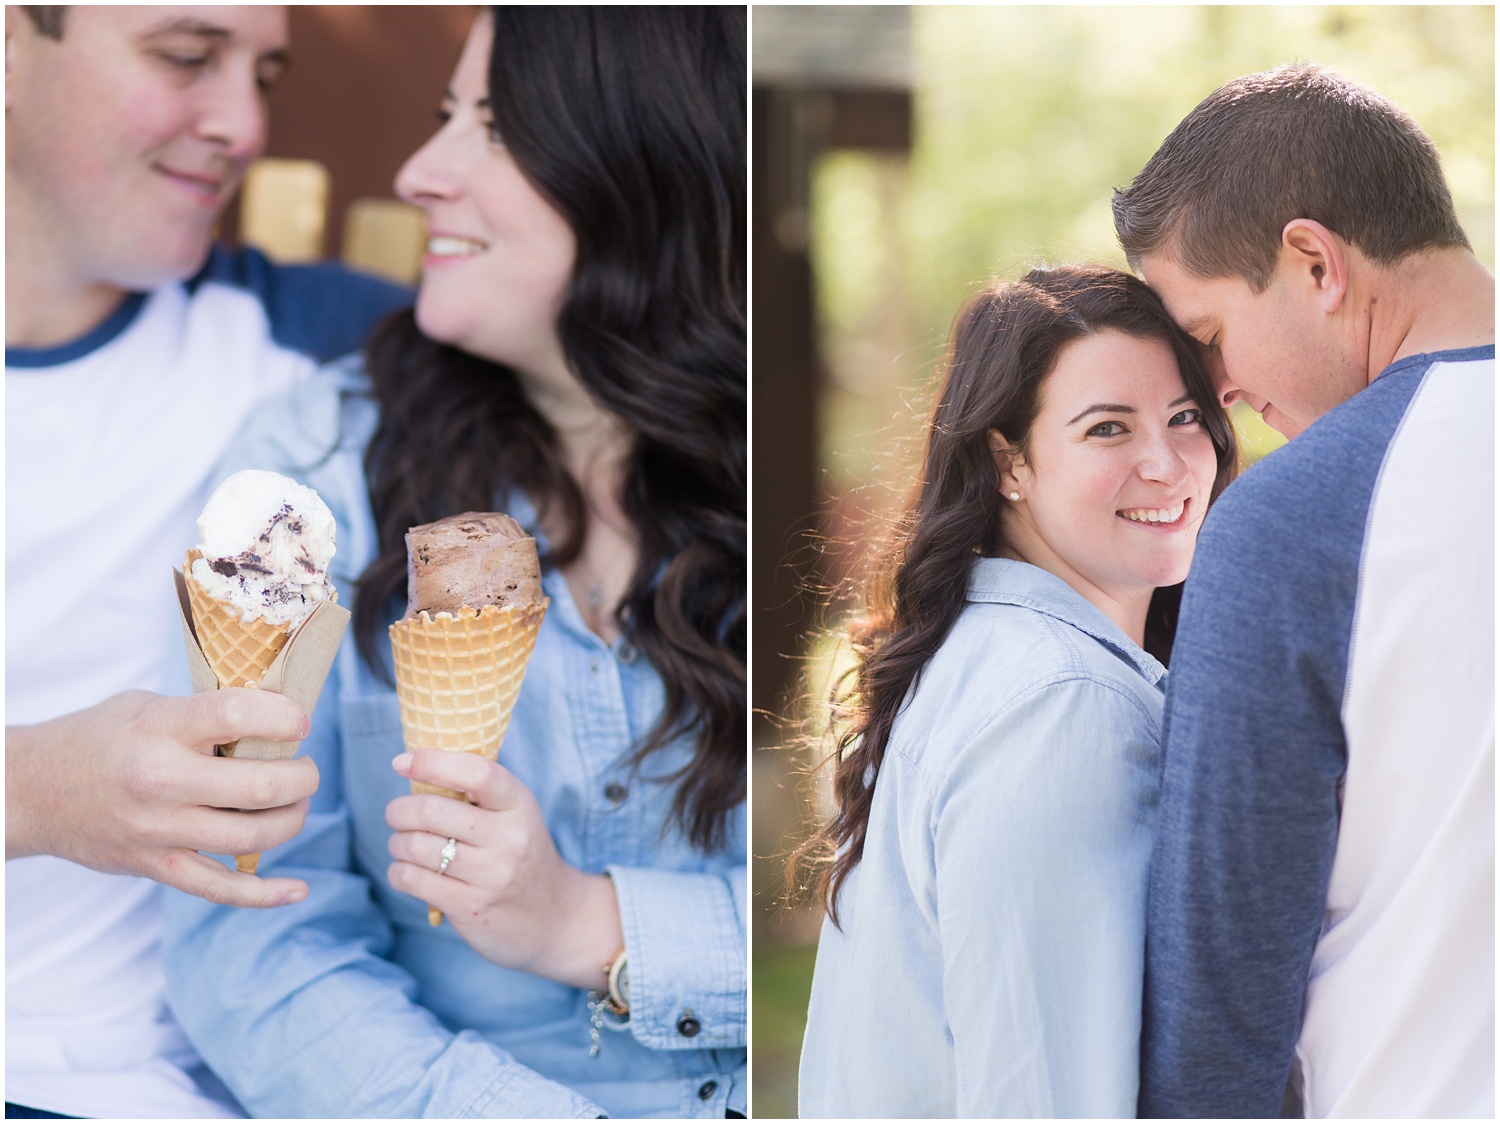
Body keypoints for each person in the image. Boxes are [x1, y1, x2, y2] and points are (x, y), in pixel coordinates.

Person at [160, 7, 747, 1118]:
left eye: (496, 126)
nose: (421, 171)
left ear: (657, 158)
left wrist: (587, 920)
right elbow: (254, 935)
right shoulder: (304, 474)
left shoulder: (793, 496)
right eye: (443, 116)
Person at [5, 5, 410, 1118]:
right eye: (185, 57)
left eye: (264, 74)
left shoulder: (325, 351)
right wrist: (31, 789)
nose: (241, 123)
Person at [1113, 62, 1495, 1118]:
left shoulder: (1295, 520)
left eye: (1207, 336)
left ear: (1315, 261)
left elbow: (1220, 987)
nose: (1216, 391)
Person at [794, 264, 1238, 1117]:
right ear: (1009, 463)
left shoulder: (993, 657)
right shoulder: (1061, 707)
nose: (1169, 462)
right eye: (1108, 429)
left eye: (1186, 417)